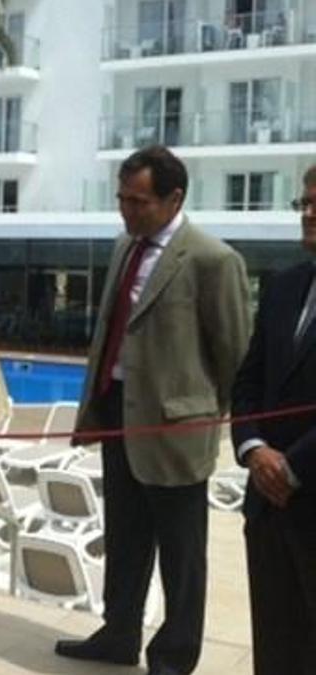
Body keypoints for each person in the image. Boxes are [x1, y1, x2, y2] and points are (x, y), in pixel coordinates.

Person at [56, 145, 251, 675]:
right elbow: (108, 332)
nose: (126, 210)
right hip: (119, 412)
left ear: (174, 198)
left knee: (181, 555)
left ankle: (173, 656)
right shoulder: (125, 247)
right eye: (121, 199)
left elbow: (234, 353)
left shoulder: (213, 260)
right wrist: (95, 405)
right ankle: (119, 634)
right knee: (124, 537)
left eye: (138, 201)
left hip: (177, 428)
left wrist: (210, 421)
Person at [231, 165, 316, 675]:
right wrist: (253, 449)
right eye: (303, 202)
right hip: (267, 509)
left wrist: (294, 467)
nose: (308, 212)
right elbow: (247, 382)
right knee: (276, 647)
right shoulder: (284, 287)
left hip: (307, 493)